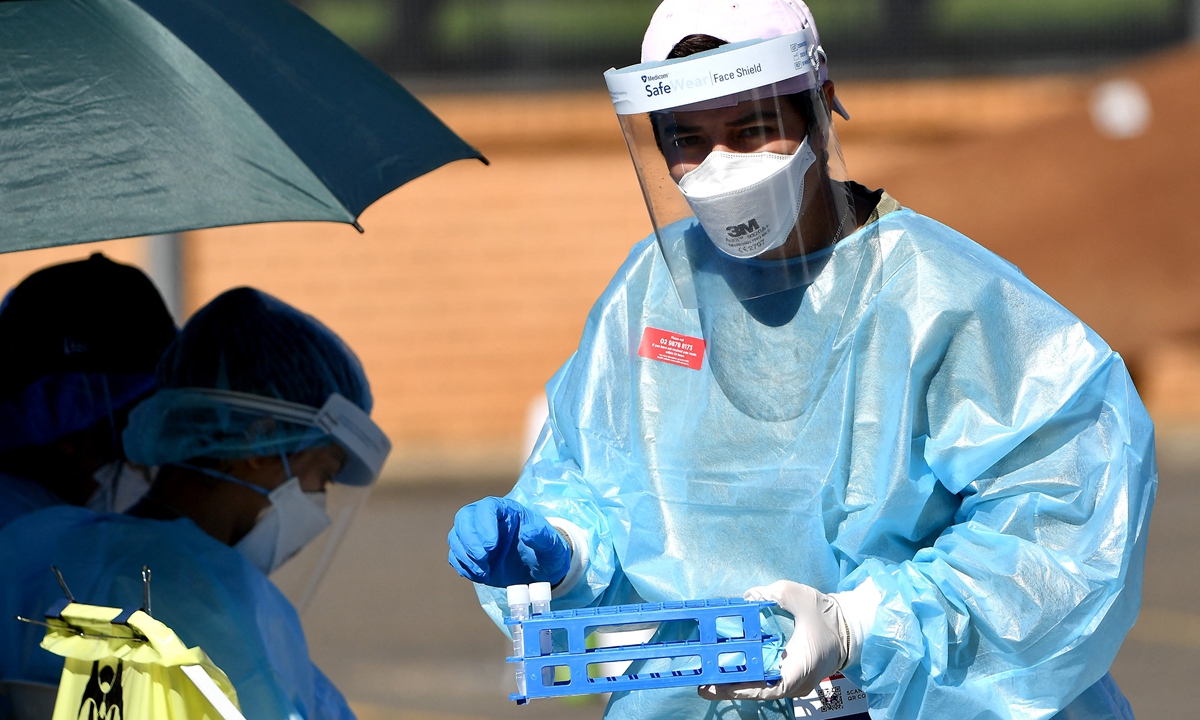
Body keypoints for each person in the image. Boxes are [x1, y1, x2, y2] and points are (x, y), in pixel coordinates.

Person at [447, 2, 1155, 719]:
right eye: (687, 138)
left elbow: (1060, 534)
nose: (719, 165)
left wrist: (860, 628)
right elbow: (597, 485)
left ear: (817, 111)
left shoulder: (939, 296)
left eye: (752, 128)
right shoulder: (655, 295)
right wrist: (561, 553)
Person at [0, 287, 391, 720]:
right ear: (258, 441)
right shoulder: (209, 604)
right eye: (323, 473)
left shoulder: (35, 547)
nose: (319, 502)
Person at [0, 253, 177, 528]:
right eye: (139, 424)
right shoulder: (39, 546)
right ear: (67, 442)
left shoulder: (43, 527)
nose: (152, 461)